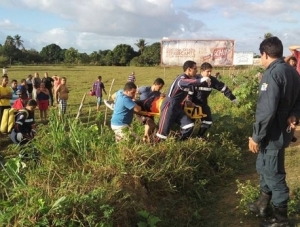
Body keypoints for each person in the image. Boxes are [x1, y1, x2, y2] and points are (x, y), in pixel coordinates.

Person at [248, 37, 300, 227]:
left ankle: (281, 219)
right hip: (277, 132)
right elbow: (298, 100)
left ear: (265, 54)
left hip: (272, 134)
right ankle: (262, 205)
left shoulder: (272, 74)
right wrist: (294, 114)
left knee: (274, 174)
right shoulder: (291, 71)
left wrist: (256, 136)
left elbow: (266, 110)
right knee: (263, 167)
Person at [155, 60, 211, 142]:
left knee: (189, 126)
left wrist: (187, 101)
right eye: (195, 68)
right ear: (189, 69)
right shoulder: (182, 78)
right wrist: (201, 80)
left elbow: (183, 92)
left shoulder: (188, 79)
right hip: (169, 106)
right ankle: (155, 147)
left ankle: (178, 143)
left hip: (178, 106)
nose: (197, 70)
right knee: (162, 135)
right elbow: (184, 83)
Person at [188, 62, 237, 139]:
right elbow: (188, 93)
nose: (210, 73)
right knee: (190, 124)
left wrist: (233, 98)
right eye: (208, 71)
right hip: (192, 104)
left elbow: (223, 88)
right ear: (202, 71)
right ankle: (185, 139)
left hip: (203, 104)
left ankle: (199, 137)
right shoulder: (195, 79)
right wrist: (189, 103)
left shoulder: (212, 80)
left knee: (208, 121)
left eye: (210, 71)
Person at [135, 78, 165, 142]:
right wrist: (134, 100)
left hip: (149, 113)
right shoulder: (144, 89)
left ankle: (145, 139)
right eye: (160, 87)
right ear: (155, 84)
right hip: (141, 110)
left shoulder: (158, 94)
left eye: (161, 88)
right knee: (151, 125)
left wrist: (163, 96)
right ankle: (146, 139)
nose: (160, 89)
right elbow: (134, 91)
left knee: (150, 127)